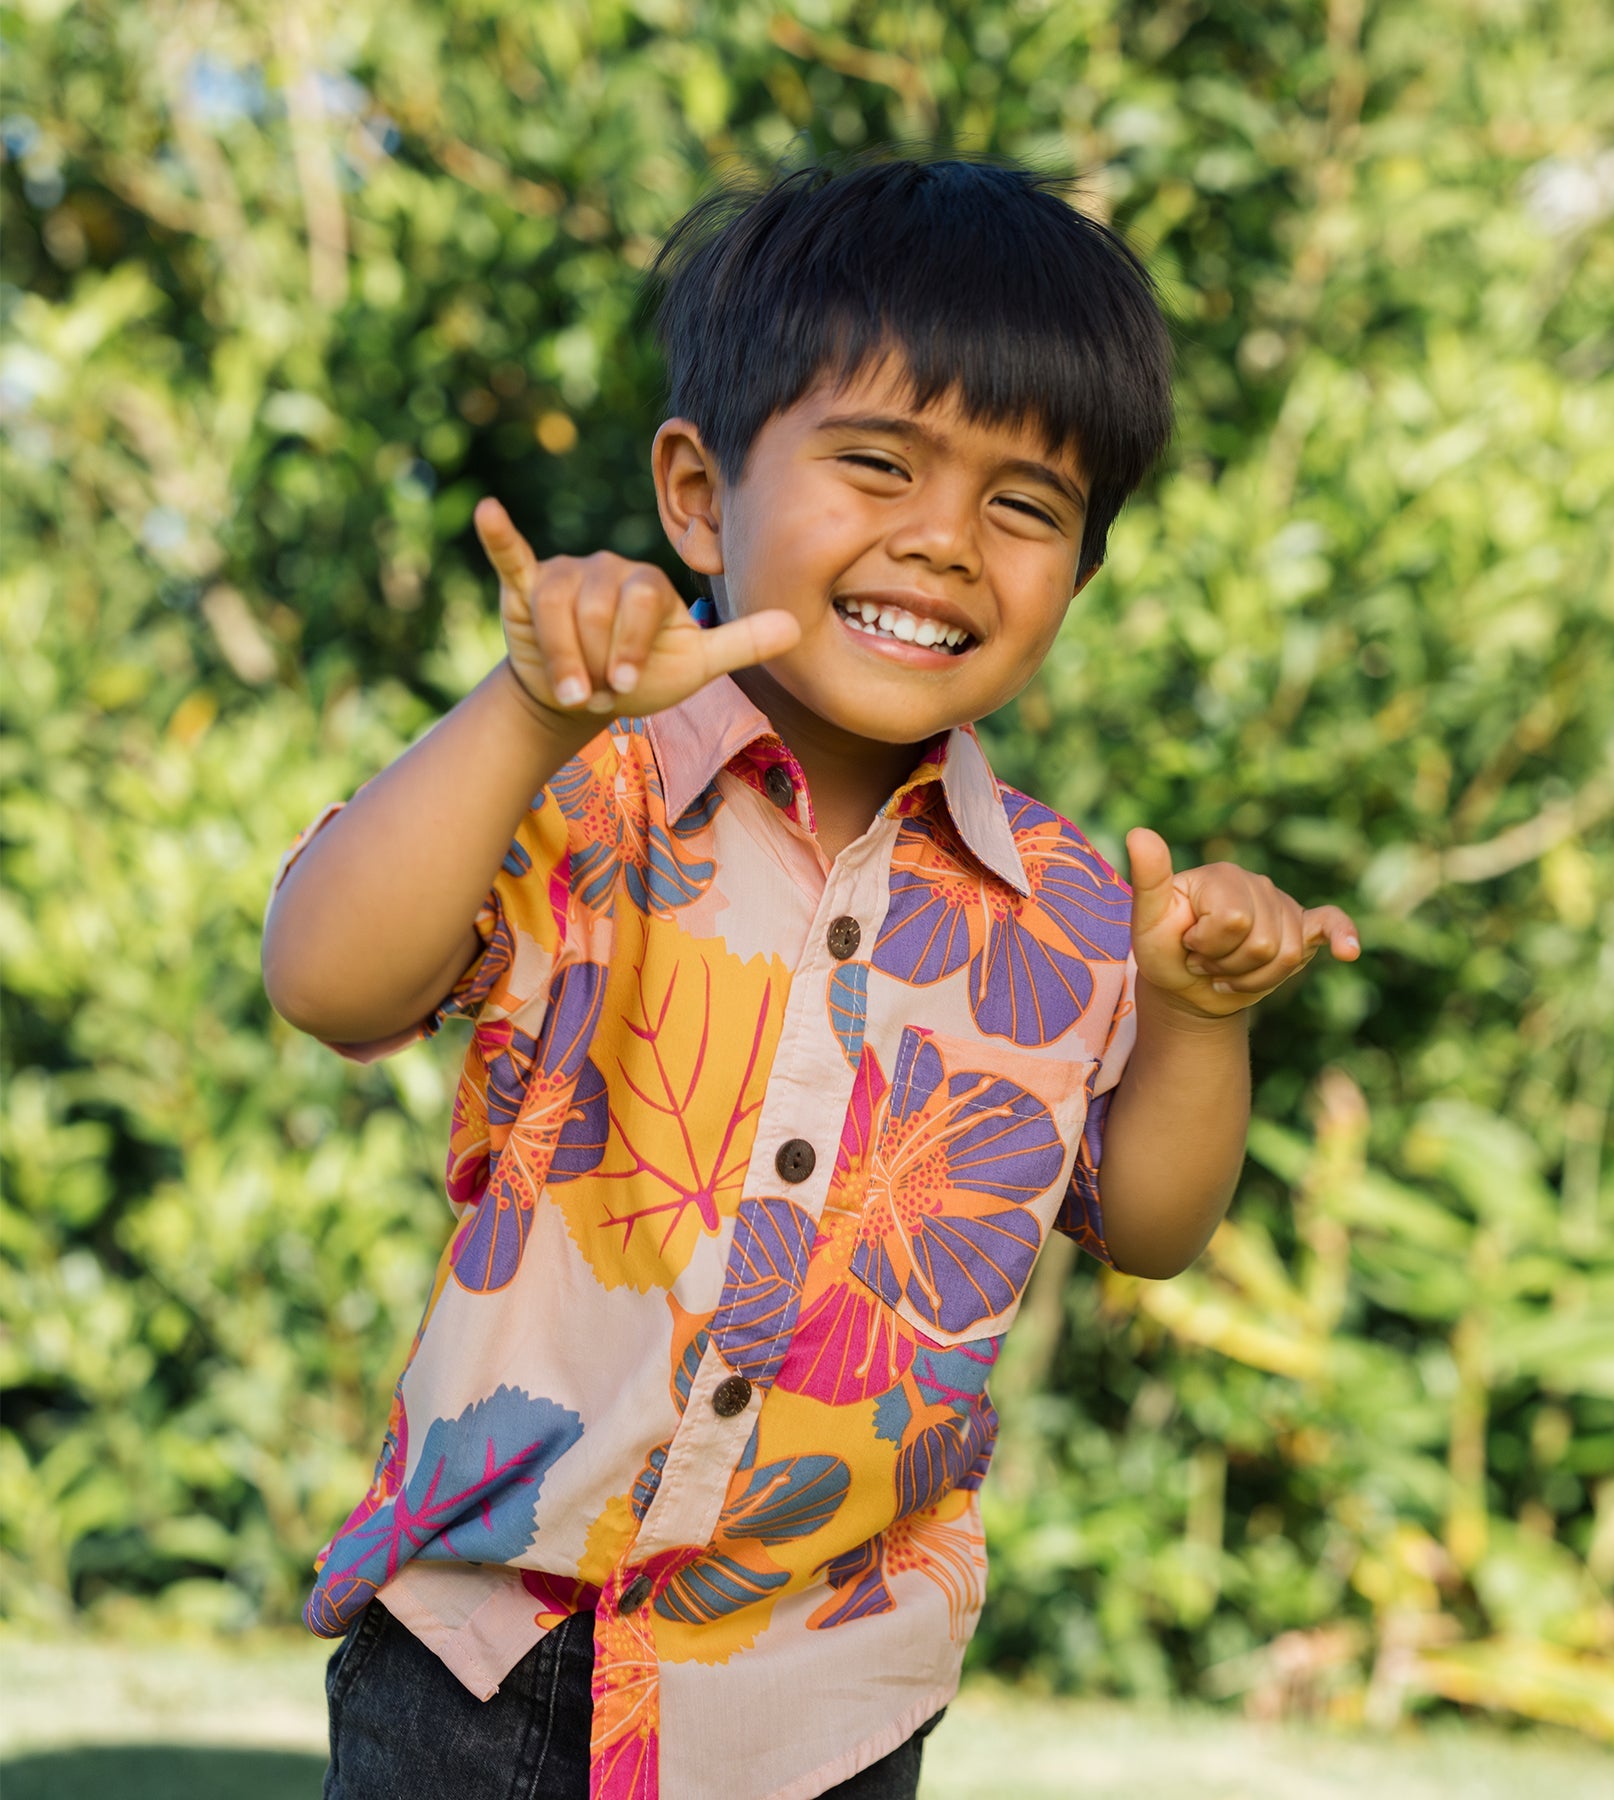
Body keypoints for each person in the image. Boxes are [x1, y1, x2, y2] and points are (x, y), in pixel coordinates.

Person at [263, 155, 1360, 1800]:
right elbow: (329, 982)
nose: (944, 542)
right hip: (476, 1669)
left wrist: (1196, 1018)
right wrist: (529, 715)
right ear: (699, 498)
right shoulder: (579, 789)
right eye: (878, 462)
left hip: (822, 1708)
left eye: (1026, 505)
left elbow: (1154, 1226)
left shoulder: (1069, 908)